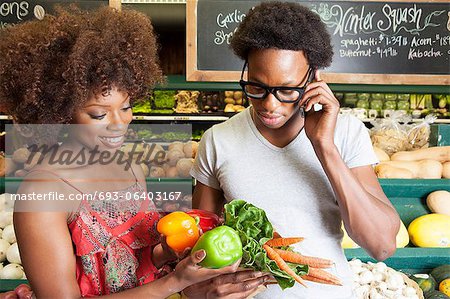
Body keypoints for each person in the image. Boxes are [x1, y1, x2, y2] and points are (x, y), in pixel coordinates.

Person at [0, 7, 270, 298]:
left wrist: (166, 254)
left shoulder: (128, 168)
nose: (120, 122)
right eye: (98, 114)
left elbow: (129, 269)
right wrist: (175, 282)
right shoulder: (42, 193)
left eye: (126, 107)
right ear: (60, 114)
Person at [190, 2, 401, 298]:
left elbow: (381, 245)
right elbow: (194, 256)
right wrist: (205, 291)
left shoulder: (346, 133)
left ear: (313, 77)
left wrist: (324, 146)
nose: (269, 104)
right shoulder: (218, 140)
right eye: (256, 87)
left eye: (287, 90)